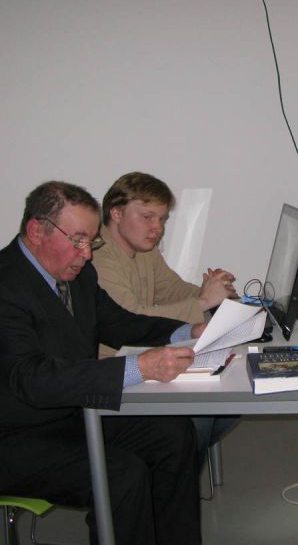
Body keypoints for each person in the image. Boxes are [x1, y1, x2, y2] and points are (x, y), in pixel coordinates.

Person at [0, 181, 204, 545]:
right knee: (122, 475)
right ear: (36, 231)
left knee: (173, 435)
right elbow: (34, 379)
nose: (86, 253)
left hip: (65, 416)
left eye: (91, 241)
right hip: (3, 444)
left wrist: (187, 331)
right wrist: (141, 368)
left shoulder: (76, 272)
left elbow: (118, 322)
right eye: (77, 240)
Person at [92, 171, 239, 457]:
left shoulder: (144, 250)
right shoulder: (98, 256)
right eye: (148, 217)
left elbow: (172, 289)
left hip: (144, 352)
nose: (156, 228)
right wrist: (203, 301)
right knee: (198, 416)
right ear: (116, 213)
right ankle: (173, 467)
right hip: (113, 368)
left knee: (230, 397)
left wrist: (213, 291)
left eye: (161, 219)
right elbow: (130, 317)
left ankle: (177, 464)